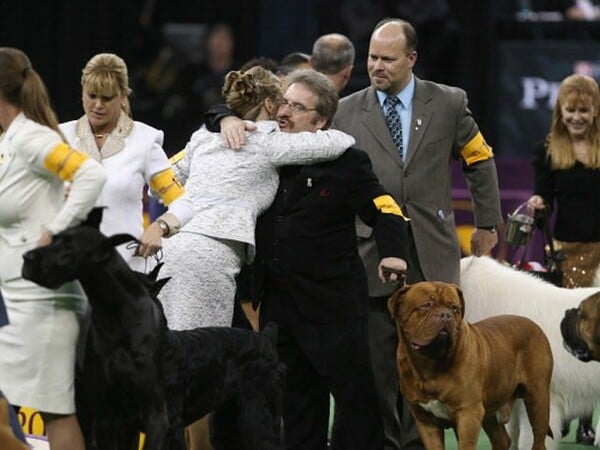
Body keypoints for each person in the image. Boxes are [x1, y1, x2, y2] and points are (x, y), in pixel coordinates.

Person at [139, 65, 354, 450]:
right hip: (212, 257)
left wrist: (220, 121)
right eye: (283, 103)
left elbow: (164, 180)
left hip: (173, 250)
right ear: (270, 105)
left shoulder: (203, 136)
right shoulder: (270, 140)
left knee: (170, 366)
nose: (285, 111)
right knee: (199, 373)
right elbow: (339, 141)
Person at [210, 69, 411, 450]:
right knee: (297, 408)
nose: (284, 112)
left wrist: (395, 254)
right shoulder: (263, 150)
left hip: (332, 306)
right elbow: (216, 115)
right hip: (278, 309)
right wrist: (226, 117)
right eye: (284, 102)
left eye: (298, 107)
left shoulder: (348, 161)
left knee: (356, 408)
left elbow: (385, 208)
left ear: (321, 122)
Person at [332, 19, 503, 450]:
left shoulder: (448, 102)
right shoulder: (347, 109)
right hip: (369, 252)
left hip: (432, 251)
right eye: (371, 57)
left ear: (411, 59)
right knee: (378, 366)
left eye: (387, 59)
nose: (376, 66)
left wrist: (487, 223)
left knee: (435, 364)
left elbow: (479, 160)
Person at [0, 47, 106, 450]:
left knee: (55, 413)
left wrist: (55, 229)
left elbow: (90, 174)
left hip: (44, 302)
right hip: (14, 300)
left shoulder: (32, 138)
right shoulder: (10, 142)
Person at [59, 53, 186, 272]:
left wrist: (160, 226)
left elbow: (184, 203)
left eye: (107, 97)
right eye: (92, 95)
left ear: (123, 96)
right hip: (67, 275)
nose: (97, 105)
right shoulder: (58, 137)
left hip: (124, 276)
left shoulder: (144, 141)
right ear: (82, 93)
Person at [527, 73, 600, 446]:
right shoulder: (549, 149)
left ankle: (588, 418)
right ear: (560, 111)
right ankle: (569, 411)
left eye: (583, 111)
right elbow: (544, 195)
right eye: (570, 110)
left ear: (595, 111)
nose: (576, 118)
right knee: (575, 336)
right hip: (567, 253)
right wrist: (538, 203)